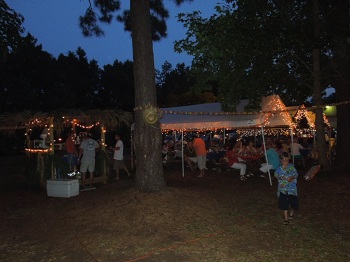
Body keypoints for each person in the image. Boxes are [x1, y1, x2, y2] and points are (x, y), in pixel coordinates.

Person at [274, 152, 299, 225]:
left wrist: (292, 177)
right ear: (281, 161)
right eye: (284, 160)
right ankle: (286, 218)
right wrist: (282, 177)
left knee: (293, 202)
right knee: (284, 203)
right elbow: (276, 175)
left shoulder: (291, 167)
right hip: (283, 189)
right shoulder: (279, 168)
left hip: (292, 189)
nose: (285, 162)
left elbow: (296, 174)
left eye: (287, 160)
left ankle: (291, 213)